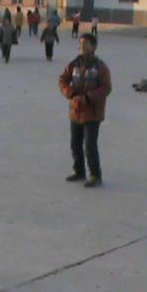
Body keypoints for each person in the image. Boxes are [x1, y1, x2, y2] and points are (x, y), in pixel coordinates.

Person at [59, 33, 112, 188]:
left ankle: (95, 175)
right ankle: (79, 171)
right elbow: (62, 80)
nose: (82, 46)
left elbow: (106, 87)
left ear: (93, 47)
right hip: (75, 111)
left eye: (86, 44)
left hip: (92, 113)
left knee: (90, 145)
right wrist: (70, 93)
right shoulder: (73, 64)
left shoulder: (100, 67)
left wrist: (89, 97)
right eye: (80, 43)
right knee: (75, 144)